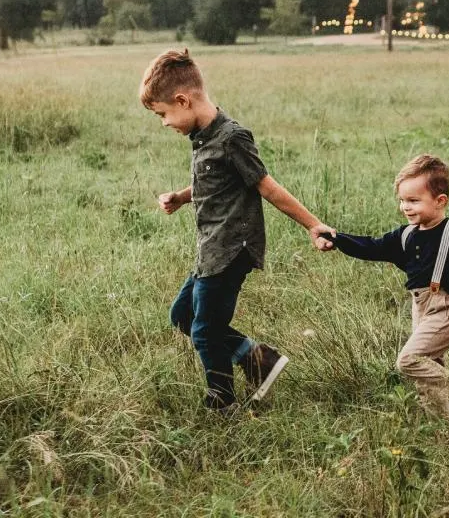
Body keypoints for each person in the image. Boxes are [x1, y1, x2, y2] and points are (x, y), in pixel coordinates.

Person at [141, 48, 332, 412]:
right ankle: (257, 359)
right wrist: (182, 197)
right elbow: (214, 184)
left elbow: (267, 186)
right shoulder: (202, 138)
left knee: (205, 330)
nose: (164, 123)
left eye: (163, 114)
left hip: (231, 249)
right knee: (182, 316)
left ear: (182, 100)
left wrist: (313, 225)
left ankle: (222, 400)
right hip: (210, 248)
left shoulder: (232, 138)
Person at [314, 155, 449, 424]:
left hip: (447, 309)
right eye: (402, 200)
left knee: (409, 360)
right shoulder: (406, 234)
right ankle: (443, 430)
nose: (405, 207)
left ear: (440, 201)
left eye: (413, 201)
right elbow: (371, 247)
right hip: (420, 308)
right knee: (428, 373)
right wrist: (336, 238)